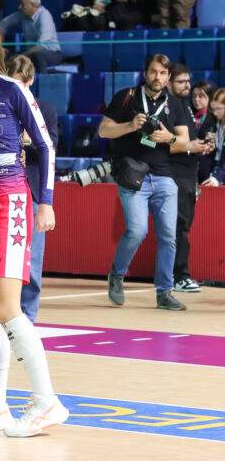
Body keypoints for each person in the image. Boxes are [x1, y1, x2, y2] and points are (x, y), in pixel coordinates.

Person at [0, 21, 67, 437]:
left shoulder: (12, 89)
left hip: (9, 201)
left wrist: (46, 200)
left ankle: (46, 401)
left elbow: (44, 145)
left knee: (7, 308)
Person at [98, 54, 190, 311]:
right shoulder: (127, 97)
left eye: (162, 73)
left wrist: (169, 138)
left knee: (168, 237)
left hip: (164, 176)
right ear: (145, 72)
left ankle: (164, 293)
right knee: (137, 231)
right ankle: (117, 275)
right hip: (133, 175)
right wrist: (130, 125)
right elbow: (103, 130)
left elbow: (184, 141)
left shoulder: (174, 103)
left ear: (168, 77)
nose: (157, 77)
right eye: (153, 72)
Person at [7, 54, 58, 323]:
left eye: (23, 84)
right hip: (2, 188)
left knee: (33, 262)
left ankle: (27, 318)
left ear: (32, 80)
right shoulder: (0, 105)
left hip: (34, 192)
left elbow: (50, 149)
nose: (20, 89)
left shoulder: (45, 110)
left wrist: (26, 140)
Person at [167, 65, 214, 293]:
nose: (187, 85)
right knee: (179, 229)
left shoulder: (183, 105)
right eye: (181, 82)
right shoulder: (166, 107)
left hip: (188, 174)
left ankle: (175, 275)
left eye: (188, 81)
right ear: (169, 83)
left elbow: (189, 141)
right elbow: (153, 142)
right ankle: (180, 276)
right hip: (173, 174)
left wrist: (200, 146)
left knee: (182, 227)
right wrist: (188, 147)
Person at [0, 0, 61, 74]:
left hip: (52, 54)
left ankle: (41, 79)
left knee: (38, 55)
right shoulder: (23, 14)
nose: (19, 7)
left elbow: (42, 45)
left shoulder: (44, 15)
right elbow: (2, 25)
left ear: (33, 5)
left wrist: (23, 55)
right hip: (30, 53)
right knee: (7, 55)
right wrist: (0, 47)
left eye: (22, 4)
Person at [197, 88, 225, 187]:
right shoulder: (215, 124)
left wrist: (217, 178)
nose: (214, 113)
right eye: (212, 109)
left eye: (218, 109)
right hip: (213, 172)